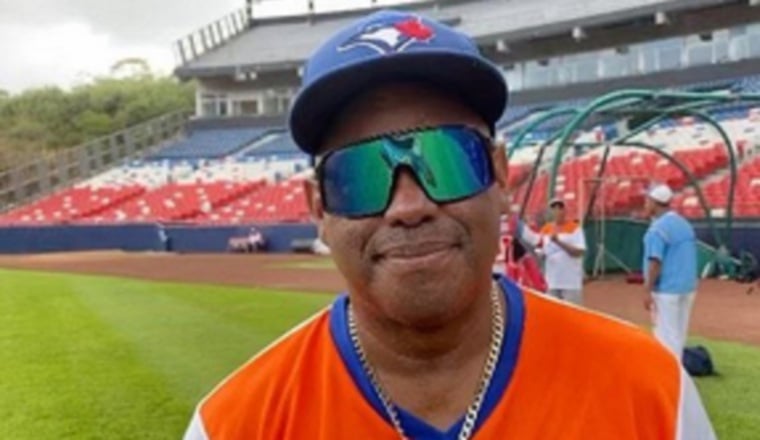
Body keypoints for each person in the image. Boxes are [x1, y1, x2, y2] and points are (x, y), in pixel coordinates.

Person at [184, 10, 715, 440]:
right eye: (362, 175)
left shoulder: (651, 392)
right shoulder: (234, 424)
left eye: (448, 158)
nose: (408, 206)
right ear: (318, 208)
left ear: (502, 178)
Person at [642, 183, 699, 358]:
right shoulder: (684, 224)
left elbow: (655, 262)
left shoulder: (657, 229)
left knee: (665, 337)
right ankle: (679, 377)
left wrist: (647, 289)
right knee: (679, 336)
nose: (645, 204)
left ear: (655, 203)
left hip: (666, 289)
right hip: (688, 287)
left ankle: (670, 379)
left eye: (648, 200)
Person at [517, 198, 587, 305]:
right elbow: (540, 249)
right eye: (554, 208)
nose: (557, 211)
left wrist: (559, 242)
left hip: (570, 282)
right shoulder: (546, 229)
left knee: (572, 315)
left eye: (560, 208)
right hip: (551, 282)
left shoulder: (575, 228)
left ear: (565, 210)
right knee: (554, 314)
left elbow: (579, 252)